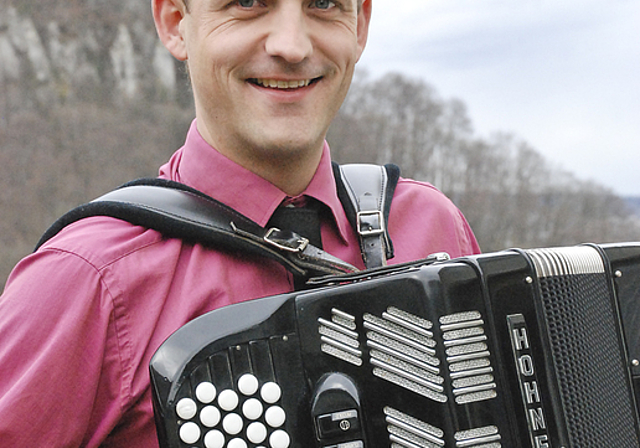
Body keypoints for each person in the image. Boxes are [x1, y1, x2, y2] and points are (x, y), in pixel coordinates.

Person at [0, 0, 480, 446]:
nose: (291, 46)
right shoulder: (88, 277)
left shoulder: (433, 227)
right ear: (174, 23)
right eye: (248, 2)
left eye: (323, 3)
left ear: (360, 23)